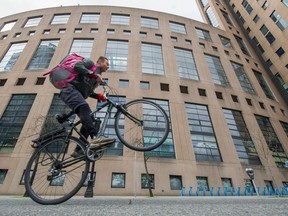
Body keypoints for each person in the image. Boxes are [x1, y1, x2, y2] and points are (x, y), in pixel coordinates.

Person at [59, 55, 115, 156]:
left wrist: (99, 96)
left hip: (76, 94)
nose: (108, 66)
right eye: (107, 64)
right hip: (69, 89)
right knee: (84, 109)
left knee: (90, 119)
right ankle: (96, 139)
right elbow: (77, 66)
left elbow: (88, 93)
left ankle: (79, 149)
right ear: (99, 62)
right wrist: (94, 75)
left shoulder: (96, 79)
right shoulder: (90, 64)